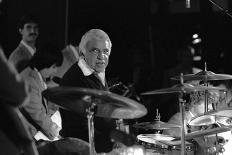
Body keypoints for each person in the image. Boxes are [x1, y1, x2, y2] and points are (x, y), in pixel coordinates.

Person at [59, 29, 116, 153]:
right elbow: (80, 129)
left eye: (105, 51)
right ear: (82, 52)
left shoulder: (95, 71)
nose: (102, 56)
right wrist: (113, 141)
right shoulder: (76, 80)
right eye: (95, 50)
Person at [20, 43, 62, 140]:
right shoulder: (29, 80)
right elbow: (38, 114)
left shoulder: (36, 75)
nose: (55, 71)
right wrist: (56, 131)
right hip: (29, 135)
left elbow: (43, 109)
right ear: (45, 62)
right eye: (54, 67)